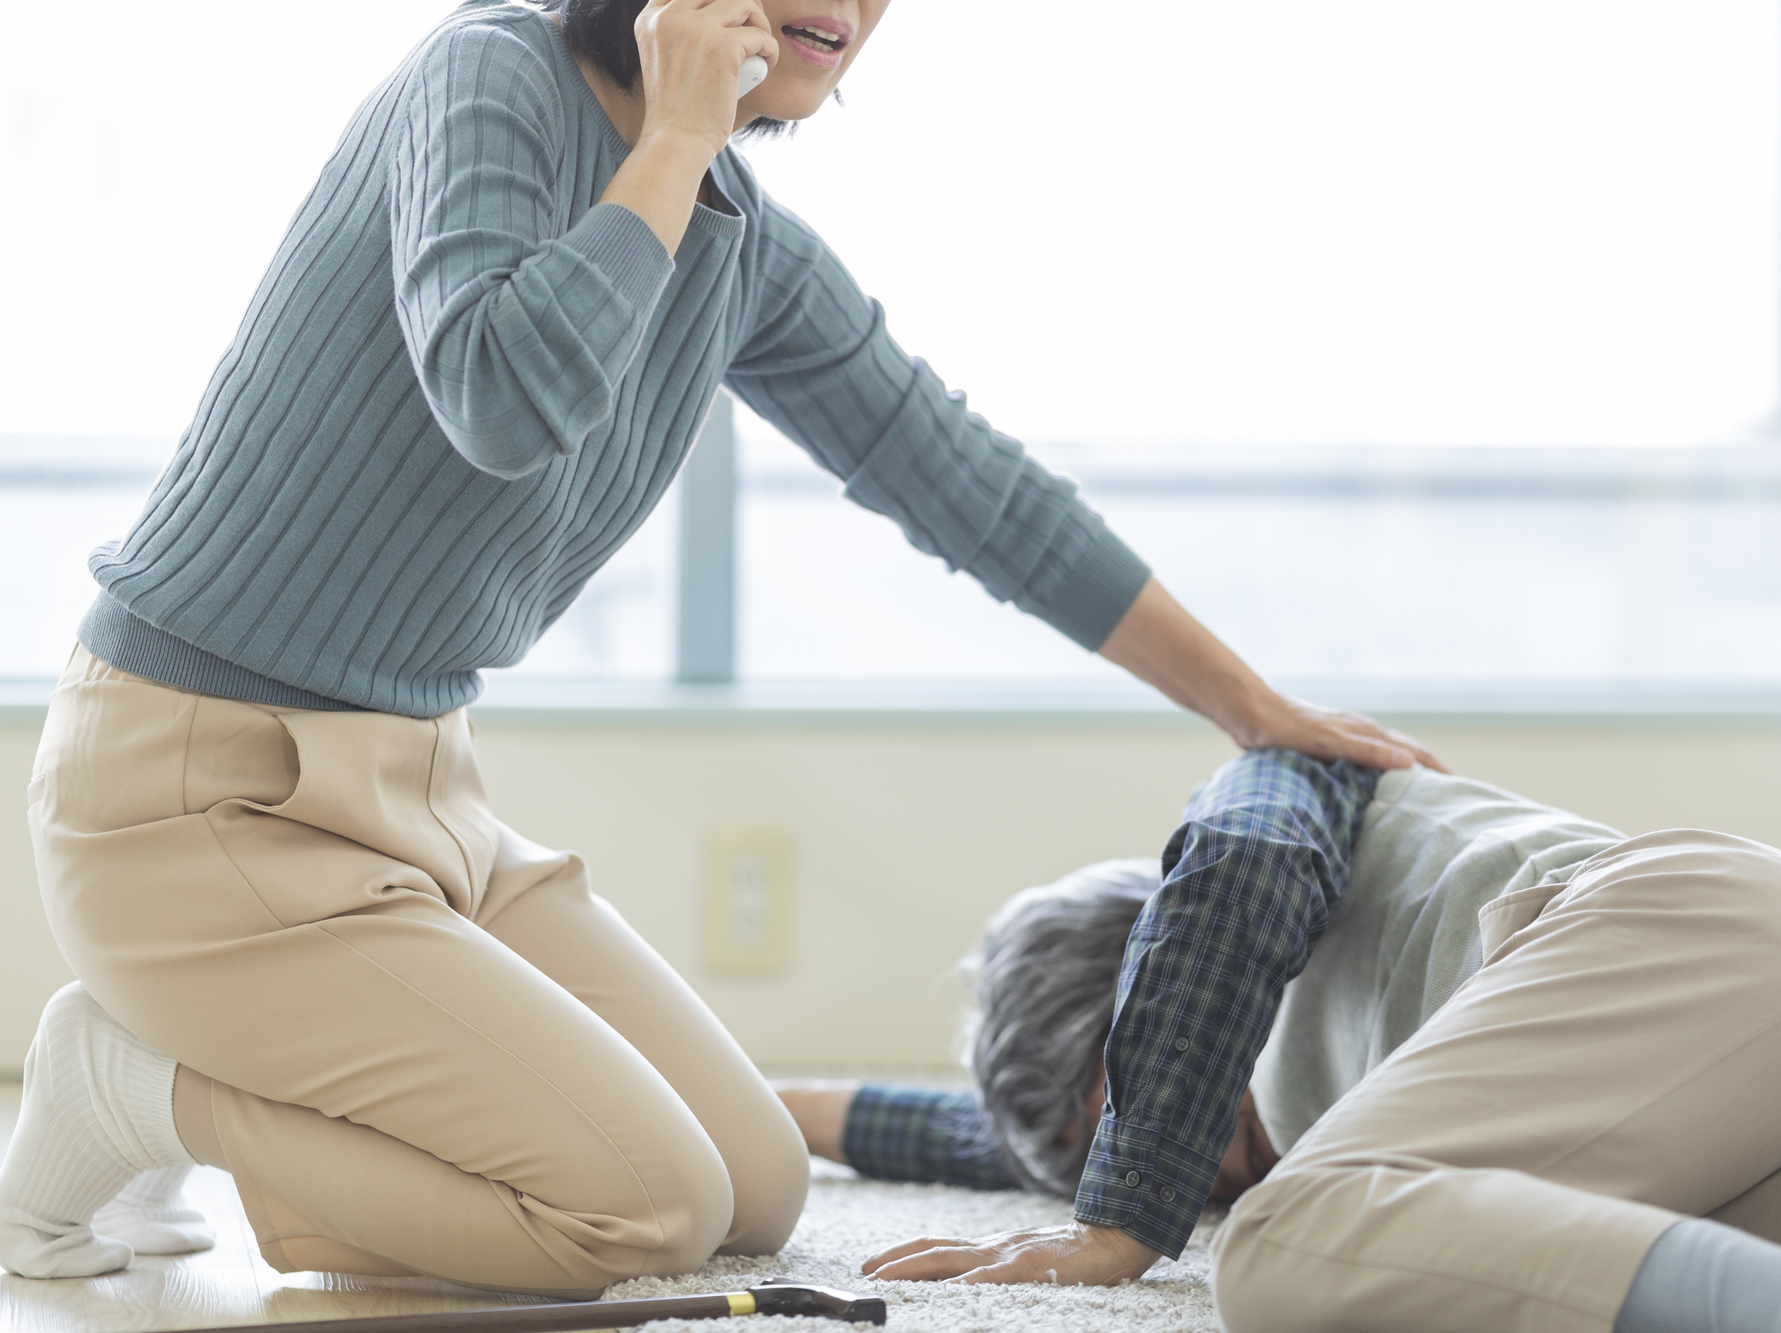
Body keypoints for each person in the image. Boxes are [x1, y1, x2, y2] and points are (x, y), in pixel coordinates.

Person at [0, 0, 1441, 1296]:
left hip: (423, 803)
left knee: (747, 1187)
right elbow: (500, 397)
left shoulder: (736, 243)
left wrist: (1250, 707)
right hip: (196, 795)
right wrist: (679, 124)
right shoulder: (485, 73)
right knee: (639, 1210)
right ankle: (133, 1087)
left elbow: (968, 485)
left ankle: (214, 1076)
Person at [780, 752, 1781, 1333]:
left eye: (1117, 1106)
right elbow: (979, 1137)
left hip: (1676, 919)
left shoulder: (1274, 803)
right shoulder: (1251, 1115)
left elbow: (1231, 879)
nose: (1198, 1173)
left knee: (1291, 1243)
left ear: (1147, 978)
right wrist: (761, 1108)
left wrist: (1121, 1218)